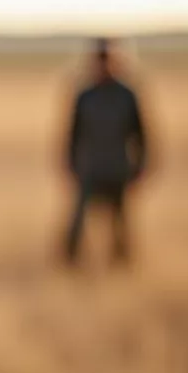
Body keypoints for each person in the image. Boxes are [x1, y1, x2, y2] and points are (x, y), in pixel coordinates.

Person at [63, 38, 150, 265]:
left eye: (107, 59)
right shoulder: (85, 96)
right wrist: (69, 164)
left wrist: (141, 166)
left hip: (118, 167)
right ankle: (70, 262)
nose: (103, 65)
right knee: (78, 219)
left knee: (120, 221)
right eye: (100, 60)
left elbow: (141, 134)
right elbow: (72, 134)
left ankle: (122, 262)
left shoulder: (127, 95)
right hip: (90, 168)